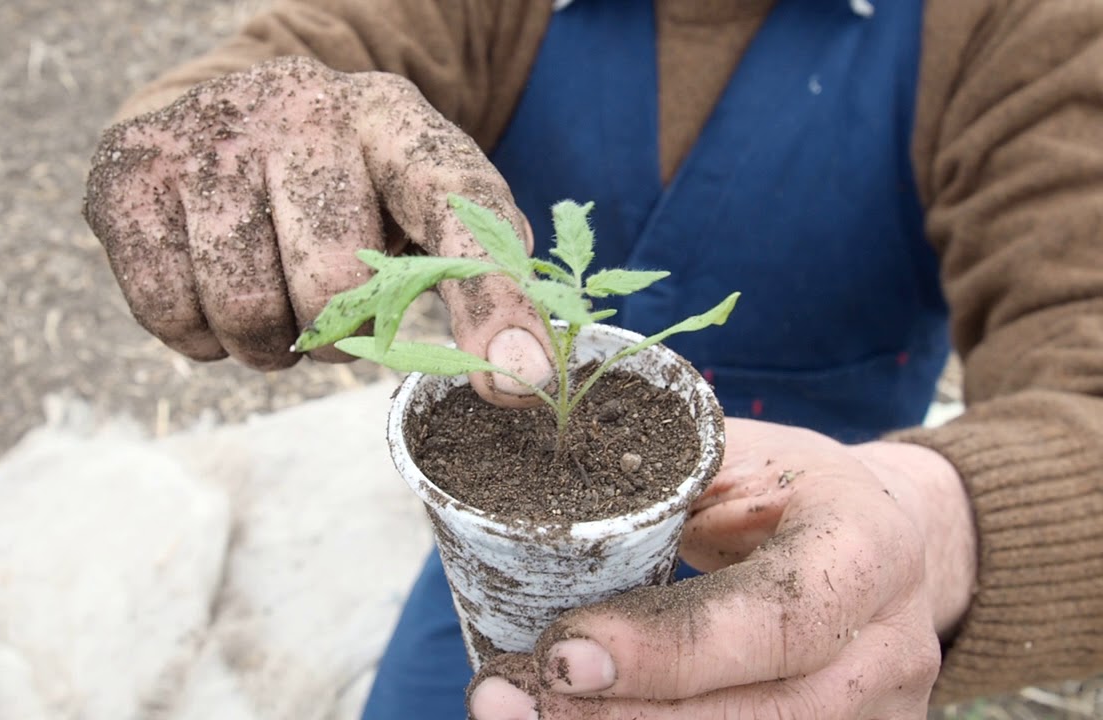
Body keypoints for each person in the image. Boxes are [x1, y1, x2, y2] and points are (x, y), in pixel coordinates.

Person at [82, 0, 1103, 717]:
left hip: (831, 586)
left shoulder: (1013, 26)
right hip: (510, 585)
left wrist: (932, 530)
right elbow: (300, 62)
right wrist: (229, 139)